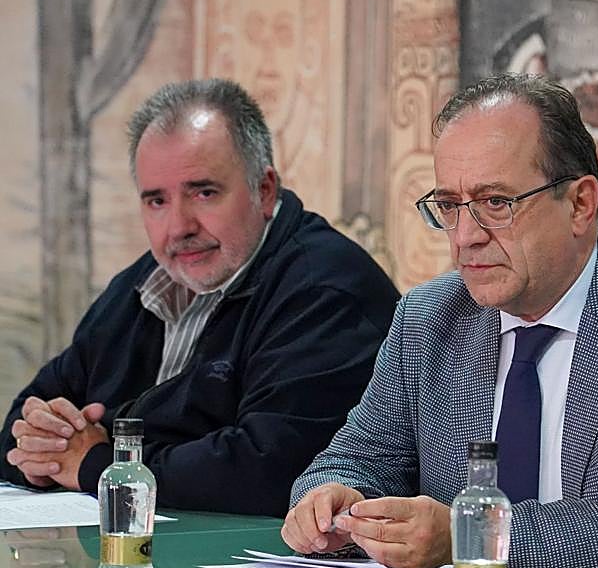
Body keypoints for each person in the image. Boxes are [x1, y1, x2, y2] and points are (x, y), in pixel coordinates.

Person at [282, 73, 598, 568]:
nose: (464, 237)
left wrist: (473, 535)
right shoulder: (429, 318)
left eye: (496, 204)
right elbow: (359, 457)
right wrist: (330, 500)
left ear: (580, 204)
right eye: (448, 206)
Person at [2, 79, 400, 515]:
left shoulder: (324, 288)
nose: (179, 226)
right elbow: (24, 419)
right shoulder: (144, 282)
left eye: (203, 193)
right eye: (156, 201)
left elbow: (269, 470)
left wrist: (99, 465)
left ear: (264, 191)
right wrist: (41, 454)